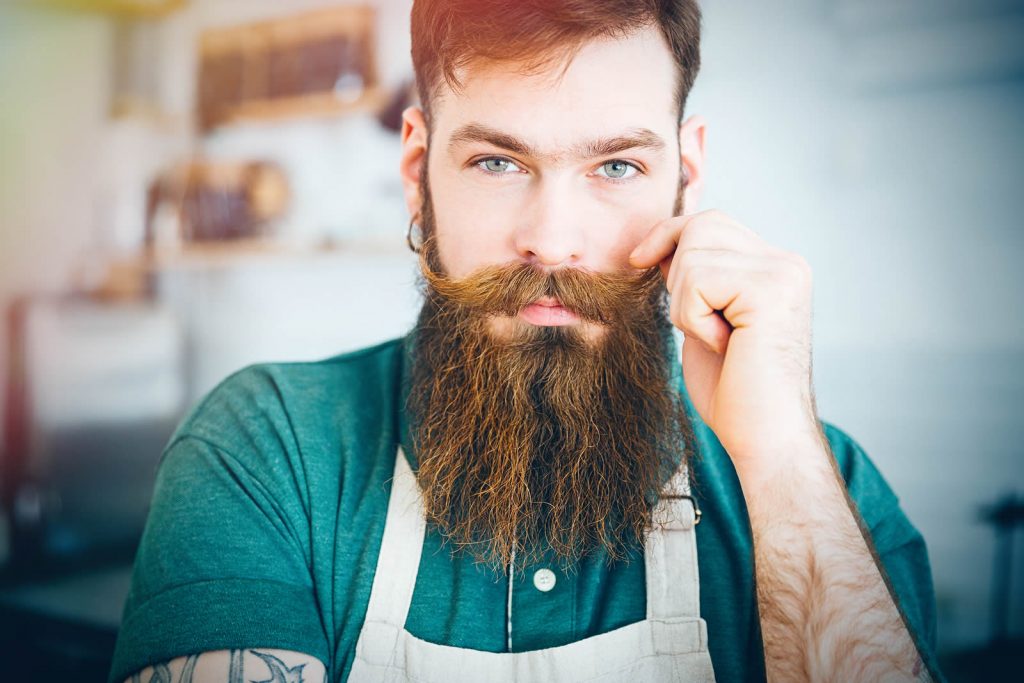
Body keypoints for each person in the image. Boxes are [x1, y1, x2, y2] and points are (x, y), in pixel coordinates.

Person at [109, 1, 946, 682]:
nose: (552, 240)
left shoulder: (825, 491)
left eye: (616, 166)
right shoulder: (269, 447)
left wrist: (781, 462)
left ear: (686, 174)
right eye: (497, 164)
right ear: (418, 169)